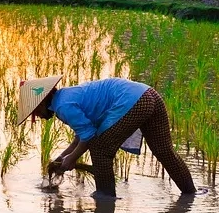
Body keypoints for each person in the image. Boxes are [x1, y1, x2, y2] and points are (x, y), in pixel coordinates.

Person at [18, 76, 196, 198]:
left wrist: (72, 159)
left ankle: (105, 198)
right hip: (149, 95)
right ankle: (190, 194)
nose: (38, 117)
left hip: (133, 102)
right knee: (164, 151)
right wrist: (62, 157)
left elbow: (88, 136)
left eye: (36, 112)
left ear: (42, 103)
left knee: (100, 149)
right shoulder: (66, 97)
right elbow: (80, 137)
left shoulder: (63, 107)